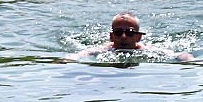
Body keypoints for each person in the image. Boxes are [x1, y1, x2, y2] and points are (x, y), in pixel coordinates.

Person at [66, 13, 194, 62]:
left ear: (138, 37)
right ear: (111, 36)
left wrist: (189, 60)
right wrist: (68, 60)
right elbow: (80, 54)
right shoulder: (104, 50)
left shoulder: (147, 50)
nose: (123, 36)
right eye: (118, 32)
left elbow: (179, 55)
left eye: (130, 33)